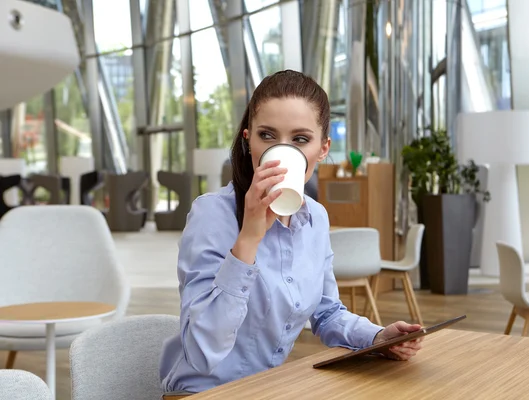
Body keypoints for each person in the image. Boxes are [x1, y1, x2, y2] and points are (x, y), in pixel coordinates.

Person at [159, 70, 423, 394]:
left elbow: (327, 314)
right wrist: (249, 238)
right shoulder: (212, 215)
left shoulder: (316, 218)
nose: (281, 151)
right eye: (267, 136)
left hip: (269, 390)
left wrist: (378, 337)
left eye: (300, 139)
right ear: (248, 140)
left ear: (323, 148)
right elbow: (201, 352)